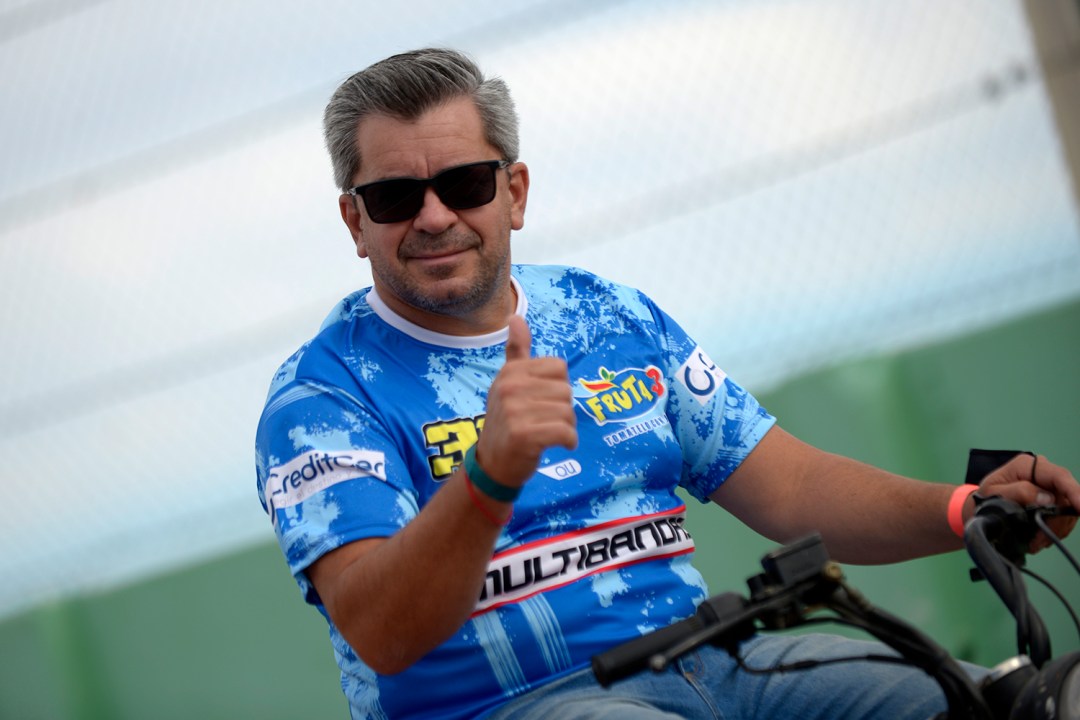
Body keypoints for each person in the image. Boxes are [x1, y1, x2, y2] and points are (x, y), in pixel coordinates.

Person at [254, 48, 1079, 720]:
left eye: (464, 184)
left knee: (1014, 704)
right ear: (355, 222)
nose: (434, 216)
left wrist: (965, 508)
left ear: (514, 192)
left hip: (725, 664)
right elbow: (383, 632)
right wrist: (489, 475)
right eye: (396, 197)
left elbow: (790, 486)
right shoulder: (322, 399)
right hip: (515, 706)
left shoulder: (608, 314)